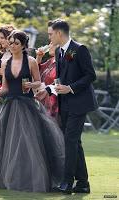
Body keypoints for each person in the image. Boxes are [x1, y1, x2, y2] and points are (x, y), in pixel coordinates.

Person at [0, 30, 65, 192]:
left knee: (29, 144)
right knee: (8, 145)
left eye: (16, 43)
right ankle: (10, 178)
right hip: (9, 106)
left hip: (27, 106)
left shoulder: (30, 62)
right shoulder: (6, 63)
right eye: (11, 42)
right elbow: (5, 88)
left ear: (23, 45)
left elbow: (39, 82)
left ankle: (31, 178)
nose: (12, 46)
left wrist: (32, 86)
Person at [36, 19, 98, 194]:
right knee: (74, 142)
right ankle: (83, 183)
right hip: (66, 104)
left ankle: (66, 182)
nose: (48, 38)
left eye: (50, 34)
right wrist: (48, 90)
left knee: (69, 141)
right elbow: (61, 78)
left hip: (80, 103)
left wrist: (70, 88)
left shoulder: (80, 49)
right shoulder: (61, 53)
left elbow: (90, 76)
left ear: (59, 33)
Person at [36, 42, 58, 119]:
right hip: (43, 102)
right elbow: (35, 72)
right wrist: (39, 57)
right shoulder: (50, 61)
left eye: (52, 44)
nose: (49, 46)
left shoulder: (63, 63)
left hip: (54, 104)